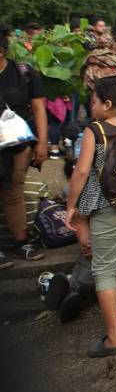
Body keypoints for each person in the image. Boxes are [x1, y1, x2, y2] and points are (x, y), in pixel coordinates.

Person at [64, 77, 116, 356]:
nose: (91, 106)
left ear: (108, 104)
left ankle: (114, 338)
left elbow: (80, 172)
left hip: (107, 207)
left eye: (94, 101)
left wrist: (71, 207)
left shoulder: (96, 130)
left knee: (104, 270)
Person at [0, 24, 48, 261]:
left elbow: (39, 107)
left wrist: (42, 143)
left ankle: (22, 243)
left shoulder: (23, 72)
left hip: (18, 144)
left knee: (13, 192)